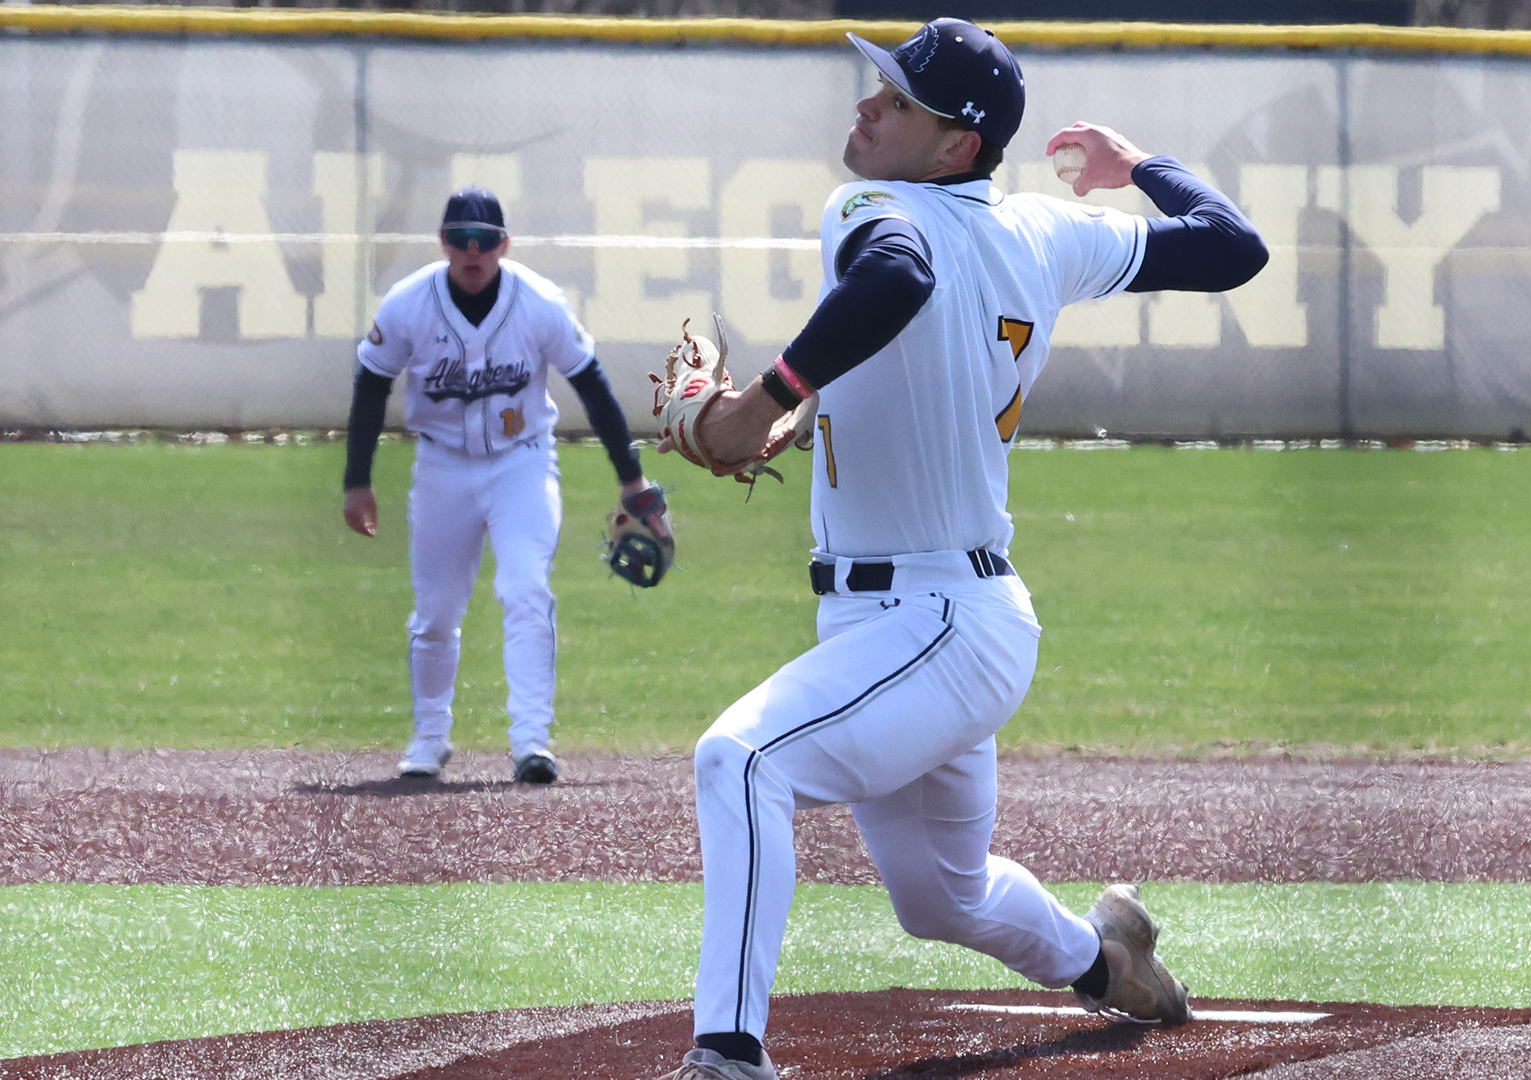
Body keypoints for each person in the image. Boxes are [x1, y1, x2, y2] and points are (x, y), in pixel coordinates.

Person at [650, 19, 1267, 1079]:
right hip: (941, 622)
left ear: (953, 148)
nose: (865, 106)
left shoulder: (874, 206)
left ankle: (726, 1054)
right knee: (943, 896)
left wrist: (765, 400)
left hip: (931, 620)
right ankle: (1106, 957)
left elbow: (898, 278)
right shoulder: (1045, 231)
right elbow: (1232, 247)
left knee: (741, 759)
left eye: (896, 100)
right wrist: (1139, 169)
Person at [342, 186, 671, 785]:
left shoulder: (538, 302)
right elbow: (371, 382)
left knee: (525, 589)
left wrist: (633, 480)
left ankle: (530, 742)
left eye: (485, 241)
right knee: (436, 613)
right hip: (441, 467)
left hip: (522, 463)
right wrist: (356, 480)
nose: (473, 252)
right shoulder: (409, 303)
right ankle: (429, 736)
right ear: (443, 243)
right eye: (462, 240)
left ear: (504, 244)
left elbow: (590, 386)